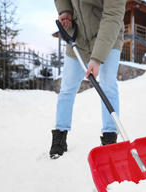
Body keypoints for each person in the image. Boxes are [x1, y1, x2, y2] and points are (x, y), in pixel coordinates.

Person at [50, 0, 126, 159]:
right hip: (77, 37)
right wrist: (65, 11)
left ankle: (109, 139)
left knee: (108, 85)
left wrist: (97, 58)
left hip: (108, 38)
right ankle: (59, 138)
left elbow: (112, 17)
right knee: (67, 88)